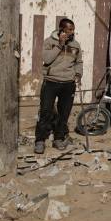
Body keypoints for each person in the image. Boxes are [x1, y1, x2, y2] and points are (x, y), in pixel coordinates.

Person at [34, 18, 82, 154]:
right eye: (69, 29)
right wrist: (60, 45)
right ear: (61, 29)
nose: (72, 32)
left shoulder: (76, 45)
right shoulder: (49, 42)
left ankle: (58, 139)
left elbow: (79, 62)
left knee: (64, 113)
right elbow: (47, 59)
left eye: (73, 29)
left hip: (68, 84)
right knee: (45, 111)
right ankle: (40, 140)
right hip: (51, 82)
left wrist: (78, 74)